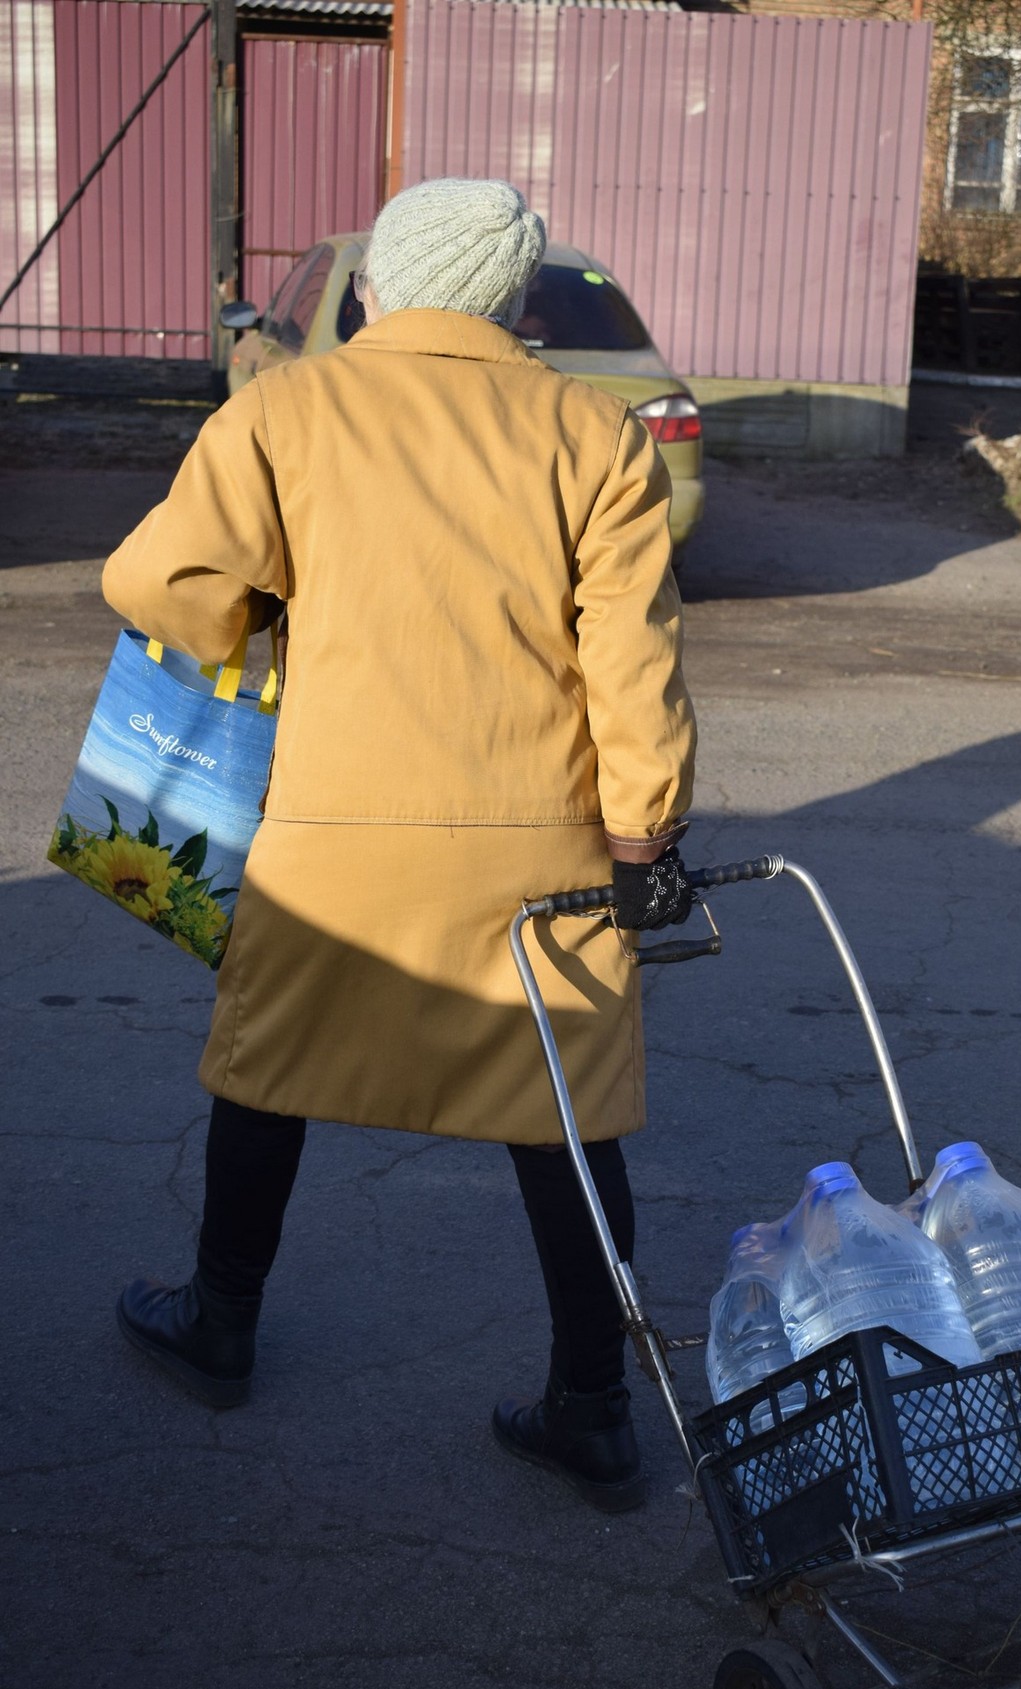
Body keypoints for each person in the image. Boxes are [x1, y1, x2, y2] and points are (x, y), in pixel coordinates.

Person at [102, 177, 697, 1515]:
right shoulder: (592, 435)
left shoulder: (288, 411)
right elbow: (635, 661)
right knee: (567, 1111)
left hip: (334, 831)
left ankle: (221, 1320)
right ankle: (593, 1407)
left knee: (267, 1066)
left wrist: (249, 615)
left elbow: (158, 582)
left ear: (387, 283)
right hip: (539, 844)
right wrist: (642, 831)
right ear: (511, 302)